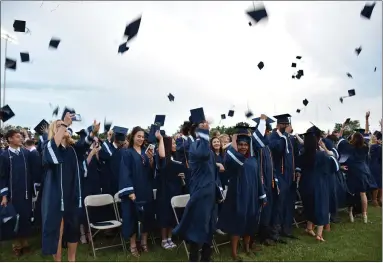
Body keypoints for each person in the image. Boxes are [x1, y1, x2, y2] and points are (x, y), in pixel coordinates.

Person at [41, 113, 98, 261]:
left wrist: (93, 132)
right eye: (59, 126)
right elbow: (52, 151)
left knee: (73, 229)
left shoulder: (73, 149)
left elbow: (84, 144)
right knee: (57, 231)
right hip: (56, 196)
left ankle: (71, 260)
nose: (64, 127)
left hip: (73, 195)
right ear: (55, 130)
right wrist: (64, 124)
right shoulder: (48, 147)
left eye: (65, 125)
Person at [217, 130, 266, 261]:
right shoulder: (232, 158)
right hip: (237, 195)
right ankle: (233, 252)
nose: (243, 147)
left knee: (250, 221)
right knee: (237, 222)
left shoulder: (253, 160)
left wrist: (262, 195)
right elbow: (229, 162)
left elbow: (258, 179)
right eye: (240, 144)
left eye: (245, 144)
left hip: (251, 196)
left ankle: (247, 247)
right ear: (236, 145)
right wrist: (233, 143)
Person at [172, 120, 217, 262]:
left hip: (210, 192)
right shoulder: (195, 147)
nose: (207, 127)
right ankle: (194, 258)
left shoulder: (205, 147)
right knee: (198, 227)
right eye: (203, 126)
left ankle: (206, 258)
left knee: (209, 226)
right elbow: (203, 154)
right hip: (201, 193)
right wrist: (203, 132)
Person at [118, 127, 165, 257]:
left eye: (142, 136)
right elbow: (124, 173)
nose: (141, 138)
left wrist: (150, 160)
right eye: (138, 136)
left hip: (146, 188)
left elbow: (151, 172)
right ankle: (133, 245)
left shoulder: (146, 152)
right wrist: (130, 191)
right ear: (133, 136)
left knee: (147, 216)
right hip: (133, 190)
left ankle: (144, 242)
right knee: (132, 217)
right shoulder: (127, 153)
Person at [0, 130, 40, 256]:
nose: (20, 138)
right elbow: (2, 177)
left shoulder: (26, 154)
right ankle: (16, 245)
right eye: (17, 137)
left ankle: (25, 243)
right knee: (14, 220)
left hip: (26, 193)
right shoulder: (4, 156)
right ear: (10, 139)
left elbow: (34, 171)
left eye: (21, 136)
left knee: (25, 218)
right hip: (13, 194)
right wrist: (4, 195)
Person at [296, 127, 340, 242]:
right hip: (319, 184)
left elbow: (298, 169)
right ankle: (319, 235)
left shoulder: (302, 154)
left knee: (309, 206)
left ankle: (309, 228)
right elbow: (335, 166)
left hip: (305, 184)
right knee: (321, 207)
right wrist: (325, 149)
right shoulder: (321, 155)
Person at [268, 114, 298, 241]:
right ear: (278, 125)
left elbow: (295, 155)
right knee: (279, 205)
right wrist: (285, 135)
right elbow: (277, 149)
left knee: (289, 204)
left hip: (290, 176)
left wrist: (297, 170)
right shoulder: (273, 137)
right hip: (279, 175)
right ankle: (275, 233)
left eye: (287, 124)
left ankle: (287, 229)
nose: (286, 126)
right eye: (283, 124)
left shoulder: (290, 138)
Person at [156, 136, 187, 250]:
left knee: (173, 215)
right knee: (165, 214)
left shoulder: (176, 157)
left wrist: (183, 175)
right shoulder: (162, 158)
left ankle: (170, 238)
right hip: (165, 190)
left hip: (176, 189)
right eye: (173, 143)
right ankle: (164, 240)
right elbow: (162, 157)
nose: (175, 145)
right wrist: (160, 140)